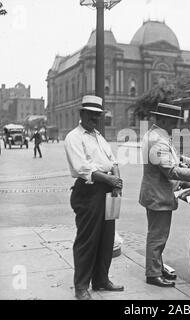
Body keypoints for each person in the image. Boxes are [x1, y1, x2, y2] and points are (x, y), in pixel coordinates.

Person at [139, 103, 190, 288]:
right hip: (158, 195)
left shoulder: (156, 135)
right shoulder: (157, 140)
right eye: (172, 122)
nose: (176, 126)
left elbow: (173, 157)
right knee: (157, 236)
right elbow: (170, 170)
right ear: (161, 120)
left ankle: (157, 268)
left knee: (158, 234)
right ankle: (153, 274)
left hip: (156, 192)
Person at [64, 95, 124, 300]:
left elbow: (112, 161)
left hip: (107, 189)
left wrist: (116, 181)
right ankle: (81, 286)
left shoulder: (99, 136)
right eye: (91, 114)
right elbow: (83, 169)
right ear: (81, 114)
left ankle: (101, 279)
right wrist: (110, 181)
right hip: (88, 192)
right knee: (87, 240)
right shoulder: (74, 137)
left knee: (106, 239)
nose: (95, 118)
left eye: (98, 115)